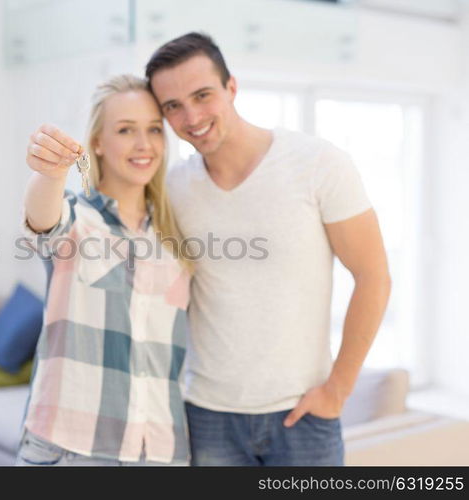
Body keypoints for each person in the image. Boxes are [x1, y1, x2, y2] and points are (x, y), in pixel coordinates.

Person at [145, 32, 392, 466]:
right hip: (207, 417)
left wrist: (339, 389)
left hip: (303, 417)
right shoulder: (172, 188)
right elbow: (102, 208)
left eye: (203, 95)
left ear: (231, 88)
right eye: (173, 106)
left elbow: (374, 277)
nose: (192, 116)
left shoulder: (318, 164)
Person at [16, 74, 192, 466]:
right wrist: (50, 171)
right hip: (71, 450)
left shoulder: (174, 237)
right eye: (126, 129)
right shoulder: (78, 217)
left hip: (161, 450)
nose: (144, 144)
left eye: (153, 130)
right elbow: (44, 215)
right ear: (97, 141)